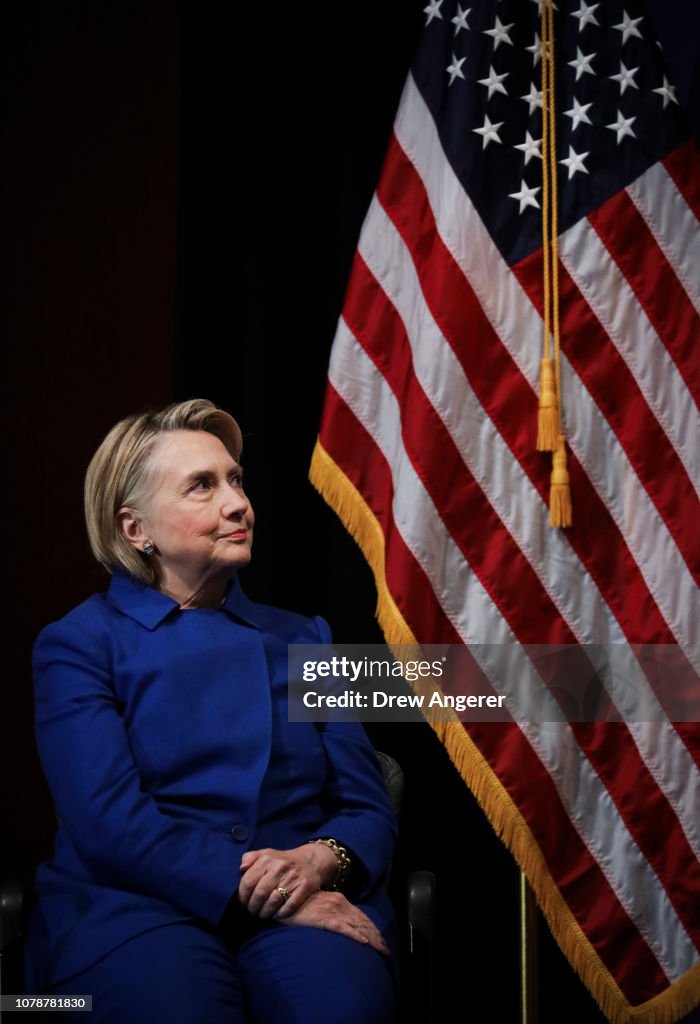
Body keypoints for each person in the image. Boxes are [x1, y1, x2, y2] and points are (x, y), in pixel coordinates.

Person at [24, 399, 398, 1023]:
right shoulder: (79, 645)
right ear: (134, 529)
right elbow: (108, 822)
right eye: (202, 486)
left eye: (236, 481)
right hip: (136, 911)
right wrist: (261, 890)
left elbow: (364, 806)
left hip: (304, 901)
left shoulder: (306, 638)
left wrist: (318, 860)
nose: (237, 504)